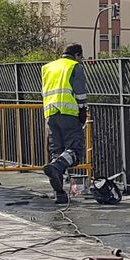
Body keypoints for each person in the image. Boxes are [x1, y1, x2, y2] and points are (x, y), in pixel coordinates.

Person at [40, 43, 88, 204]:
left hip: (50, 113)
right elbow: (80, 91)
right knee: (75, 149)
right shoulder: (74, 66)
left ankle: (59, 194)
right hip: (69, 112)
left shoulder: (48, 67)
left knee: (57, 151)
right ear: (77, 55)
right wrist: (83, 110)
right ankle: (56, 167)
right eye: (81, 57)